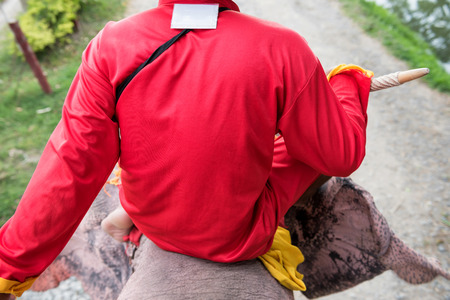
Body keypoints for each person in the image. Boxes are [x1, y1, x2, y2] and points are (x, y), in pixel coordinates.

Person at [0, 0, 372, 297]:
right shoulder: (283, 48)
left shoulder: (110, 45)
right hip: (237, 236)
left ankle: (128, 210)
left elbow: (71, 165)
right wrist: (346, 84)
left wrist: (8, 269)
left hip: (153, 220)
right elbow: (341, 156)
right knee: (303, 145)